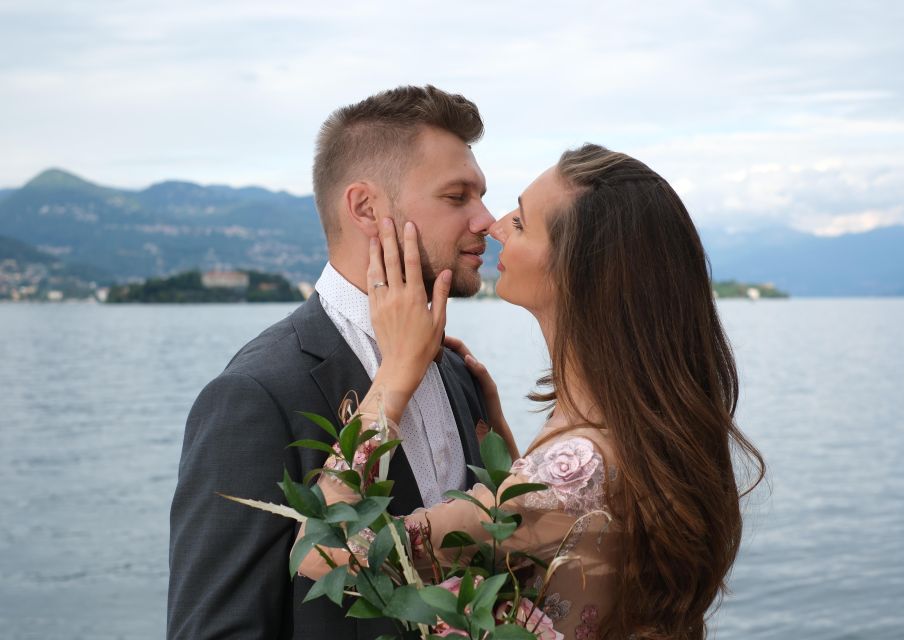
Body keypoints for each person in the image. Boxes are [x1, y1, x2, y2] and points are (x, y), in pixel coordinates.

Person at [297, 144, 766, 639]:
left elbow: (324, 551)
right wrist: (499, 435)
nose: (494, 226)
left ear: (576, 272)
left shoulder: (574, 472)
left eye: (519, 223)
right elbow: (566, 550)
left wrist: (394, 375)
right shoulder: (628, 432)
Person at [168, 85, 498, 640]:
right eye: (456, 196)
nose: (486, 219)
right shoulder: (256, 395)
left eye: (481, 196)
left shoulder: (457, 372)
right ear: (367, 208)